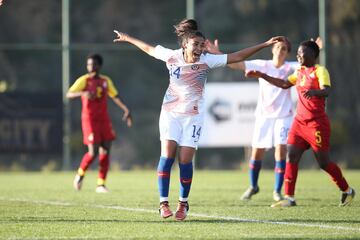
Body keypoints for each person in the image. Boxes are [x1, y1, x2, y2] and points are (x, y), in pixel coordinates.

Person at [113, 19, 285, 220]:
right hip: (171, 114)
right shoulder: (171, 56)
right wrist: (127, 38)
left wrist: (264, 44)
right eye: (196, 45)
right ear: (185, 45)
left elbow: (237, 56)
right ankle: (163, 203)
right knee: (167, 157)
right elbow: (148, 48)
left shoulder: (207, 60)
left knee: (185, 160)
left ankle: (183, 203)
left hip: (193, 117)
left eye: (202, 45)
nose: (200, 49)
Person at [245, 40, 355, 207]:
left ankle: (347, 190)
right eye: (297, 53)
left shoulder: (320, 71)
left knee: (324, 163)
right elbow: (283, 84)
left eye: (301, 53)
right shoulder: (300, 72)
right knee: (291, 156)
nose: (298, 56)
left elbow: (327, 90)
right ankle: (289, 197)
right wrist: (262, 75)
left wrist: (315, 92)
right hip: (299, 123)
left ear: (312, 55)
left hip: (317, 124)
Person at [67, 53, 132, 193]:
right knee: (93, 152)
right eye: (89, 64)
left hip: (104, 119)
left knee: (106, 149)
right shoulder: (84, 80)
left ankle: (100, 184)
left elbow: (115, 95)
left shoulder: (105, 81)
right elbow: (69, 94)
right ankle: (80, 174)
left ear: (99, 65)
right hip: (89, 120)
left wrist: (126, 109)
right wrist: (82, 94)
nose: (91, 67)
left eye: (93, 64)